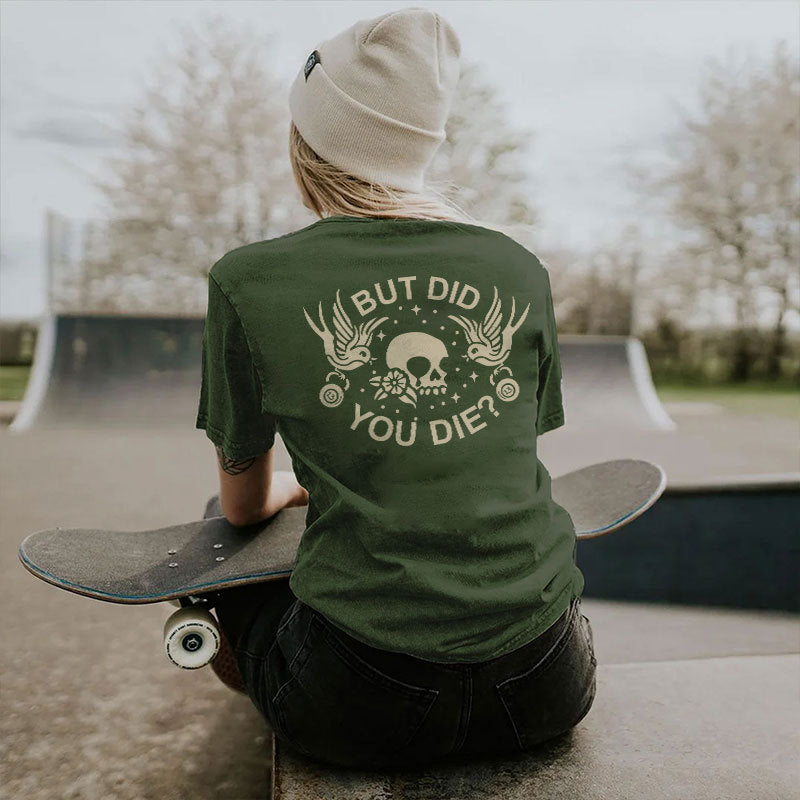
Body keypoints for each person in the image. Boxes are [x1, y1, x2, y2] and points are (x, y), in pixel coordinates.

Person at [195, 6, 597, 770]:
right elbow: (499, 452)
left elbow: (246, 503)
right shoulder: (517, 267)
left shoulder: (247, 281)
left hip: (356, 701)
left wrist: (290, 489)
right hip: (547, 685)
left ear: (306, 141)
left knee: (233, 557)